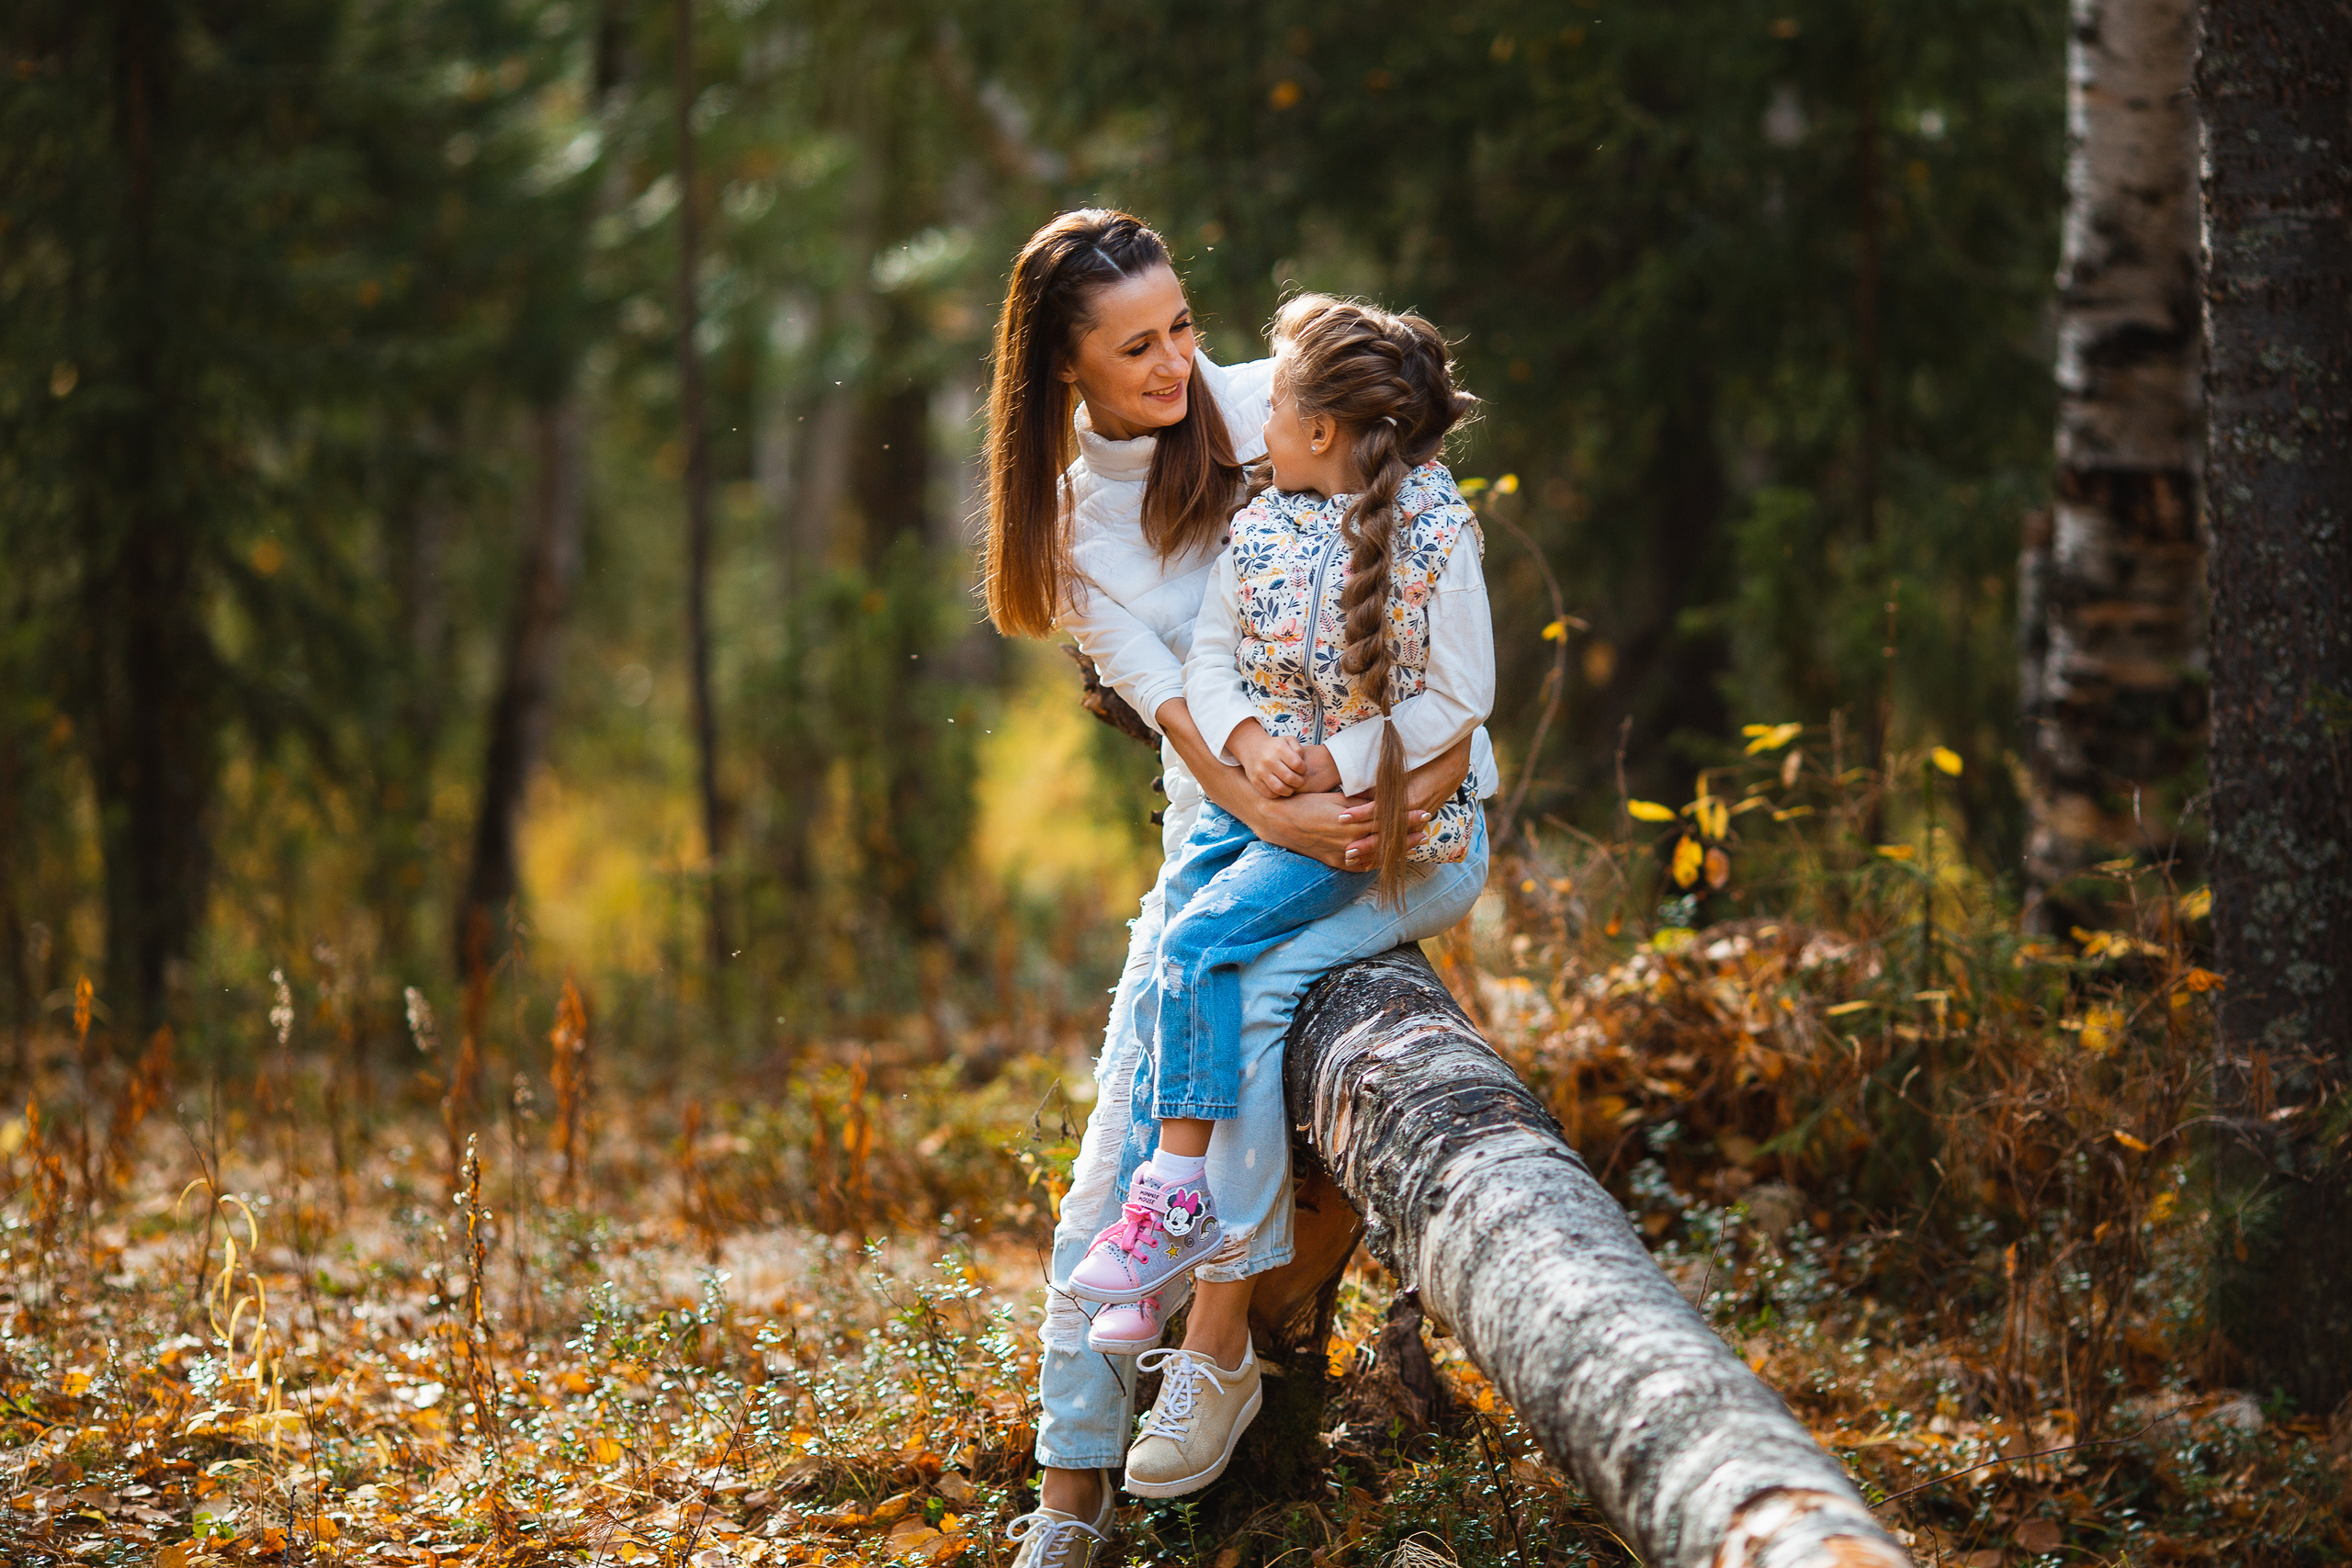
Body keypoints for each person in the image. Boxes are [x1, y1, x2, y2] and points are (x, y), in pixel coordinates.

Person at [980, 211, 1494, 1568]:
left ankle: (1218, 1361)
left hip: (1377, 799)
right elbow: (1186, 723)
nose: (1174, 366)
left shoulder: (1273, 402)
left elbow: (1426, 542)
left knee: (1222, 1058)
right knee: (1117, 1163)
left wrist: (1400, 797)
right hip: (1224, 827)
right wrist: (1301, 816)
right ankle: (1071, 1499)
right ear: (1064, 372)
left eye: (1183, 328)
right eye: (1135, 348)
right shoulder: (1073, 525)